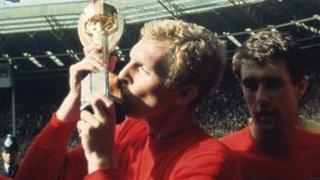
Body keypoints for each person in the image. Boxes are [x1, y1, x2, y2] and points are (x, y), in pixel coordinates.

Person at [16, 19, 240, 180]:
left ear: (183, 94)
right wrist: (73, 100)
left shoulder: (208, 161)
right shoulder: (126, 132)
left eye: (141, 70)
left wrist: (101, 161)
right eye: (129, 61)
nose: (122, 75)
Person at [220, 30, 320, 179]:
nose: (261, 98)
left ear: (301, 87)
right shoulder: (221, 158)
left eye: (273, 84)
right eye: (250, 85)